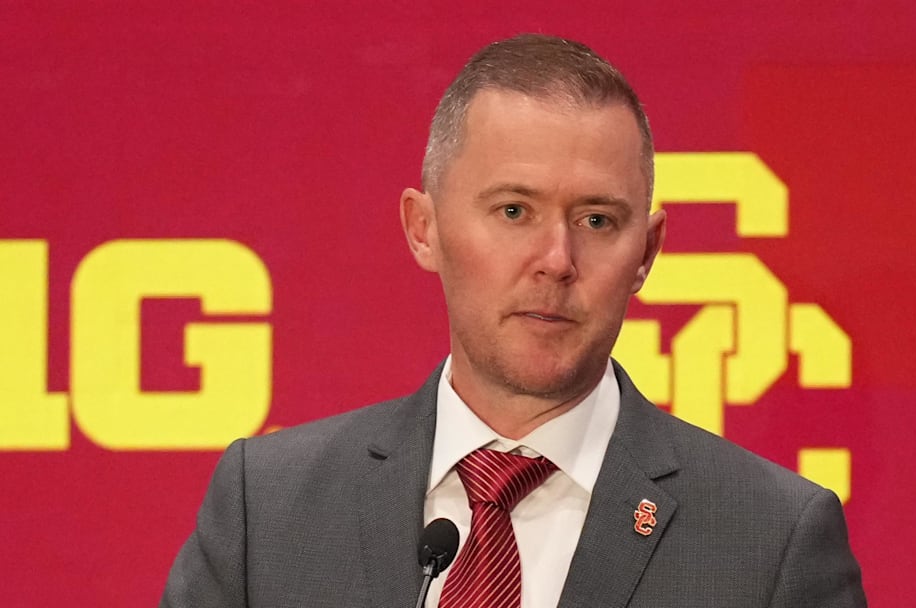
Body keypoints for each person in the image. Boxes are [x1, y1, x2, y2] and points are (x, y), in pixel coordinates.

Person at [161, 34, 866, 607]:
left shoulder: (769, 541)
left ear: (646, 252)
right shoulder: (272, 509)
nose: (556, 259)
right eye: (513, 211)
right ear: (424, 228)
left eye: (597, 219)